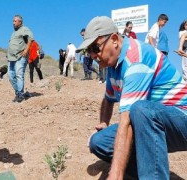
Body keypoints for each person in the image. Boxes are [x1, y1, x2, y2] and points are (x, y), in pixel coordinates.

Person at [77, 16, 187, 179]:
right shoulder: (113, 66)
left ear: (114, 39)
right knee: (99, 142)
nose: (93, 55)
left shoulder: (136, 58)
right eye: (89, 51)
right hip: (151, 123)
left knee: (141, 109)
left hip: (180, 120)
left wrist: (115, 174)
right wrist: (104, 122)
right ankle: (147, 172)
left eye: (95, 47)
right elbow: (108, 99)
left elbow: (128, 121)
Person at [7, 15, 34, 103]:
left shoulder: (24, 29)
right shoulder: (14, 33)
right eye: (13, 21)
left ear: (20, 22)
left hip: (21, 56)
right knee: (10, 75)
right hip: (11, 58)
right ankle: (19, 92)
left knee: (19, 74)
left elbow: (31, 38)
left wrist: (26, 50)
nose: (13, 23)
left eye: (15, 21)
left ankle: (20, 94)